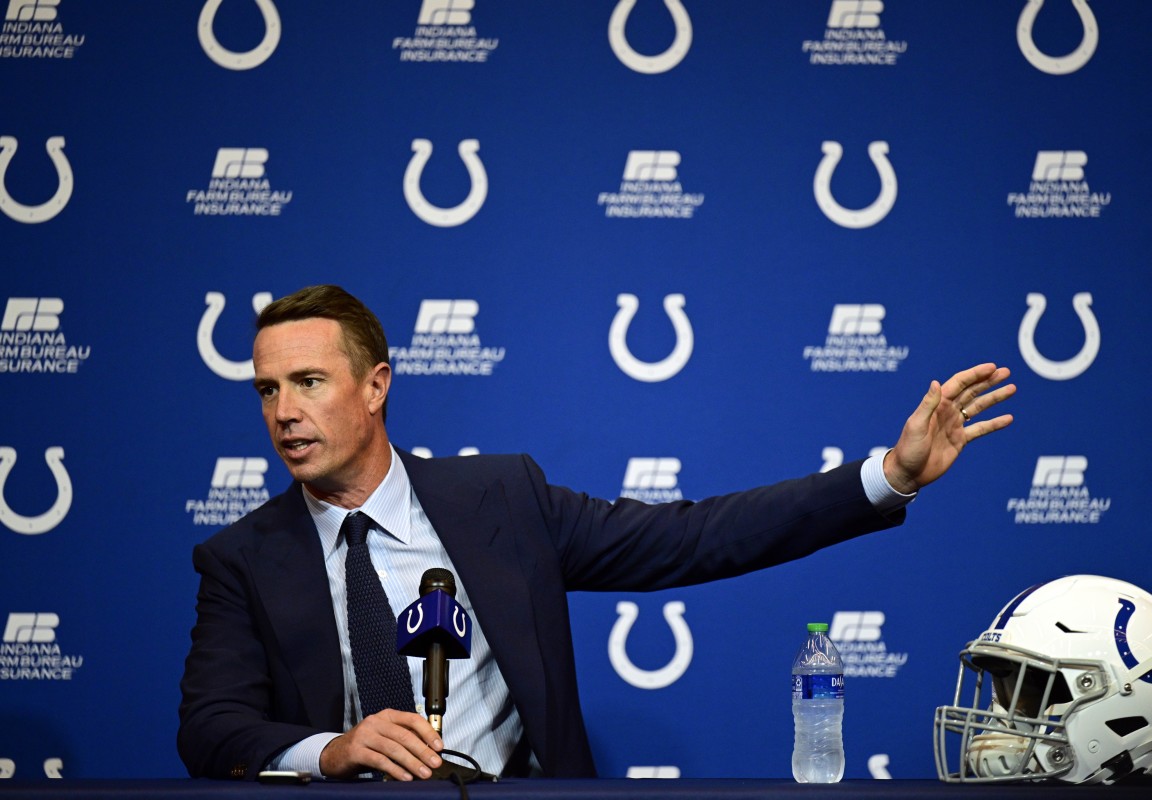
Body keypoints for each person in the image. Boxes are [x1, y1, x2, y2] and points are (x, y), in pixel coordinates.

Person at [177, 284, 1016, 782]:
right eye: (266, 389)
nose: (284, 411)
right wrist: (334, 750)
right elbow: (210, 729)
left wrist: (888, 477)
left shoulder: (500, 499)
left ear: (375, 386)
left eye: (309, 381)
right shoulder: (243, 559)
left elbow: (694, 538)